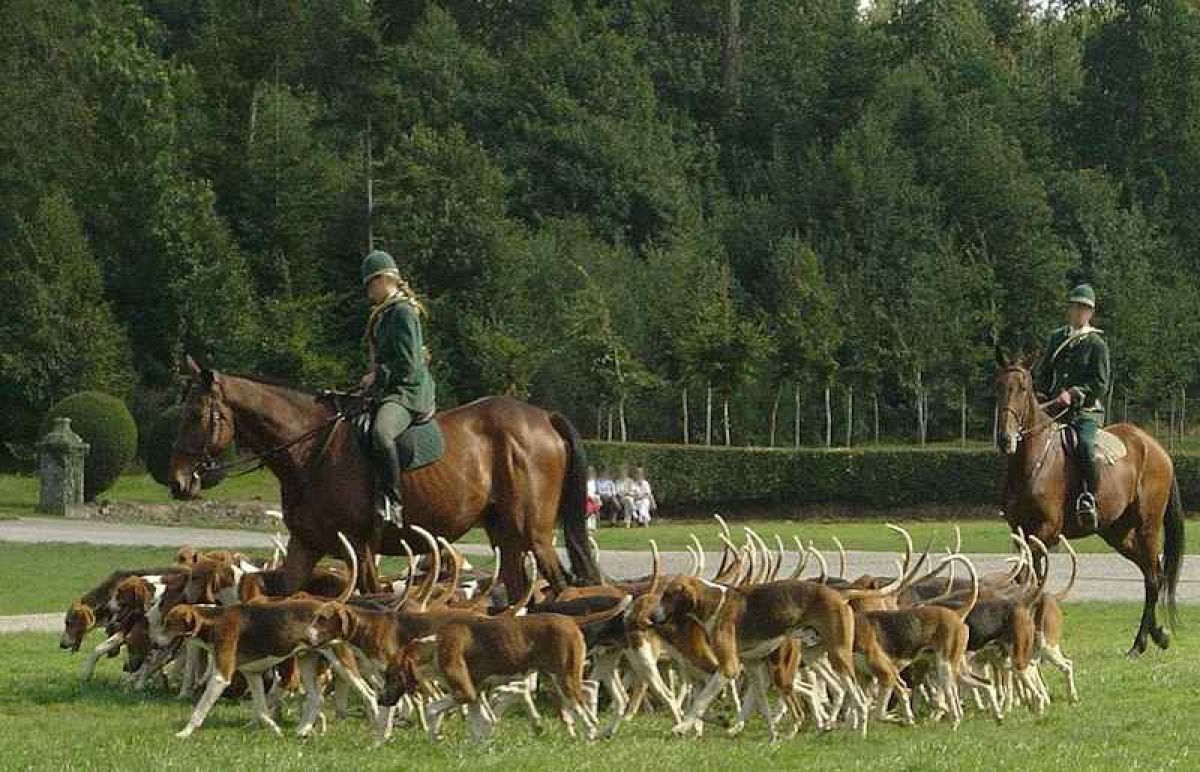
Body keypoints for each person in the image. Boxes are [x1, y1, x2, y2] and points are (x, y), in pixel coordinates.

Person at [359, 249, 436, 526]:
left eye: (369, 284)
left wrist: (376, 376)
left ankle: (394, 501)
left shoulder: (402, 312)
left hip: (408, 391)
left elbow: (409, 364)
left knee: (381, 433)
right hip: (389, 388)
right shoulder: (385, 313)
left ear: (382, 280)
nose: (368, 291)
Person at [1033, 283, 1110, 533]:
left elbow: (1100, 384)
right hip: (1055, 407)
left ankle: (1088, 497)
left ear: (1090, 312)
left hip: (1085, 411)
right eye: (1075, 306)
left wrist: (1075, 394)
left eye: (1083, 308)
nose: (1078, 312)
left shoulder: (1097, 344)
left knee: (1085, 446)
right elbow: (1045, 372)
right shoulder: (1057, 338)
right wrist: (1041, 395)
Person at [585, 466, 602, 531]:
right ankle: (589, 526)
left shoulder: (595, 482)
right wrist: (590, 497)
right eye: (589, 472)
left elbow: (597, 492)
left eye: (591, 472)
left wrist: (597, 498)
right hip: (587, 499)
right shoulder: (585, 482)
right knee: (589, 511)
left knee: (594, 512)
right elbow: (585, 492)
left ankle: (593, 526)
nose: (590, 474)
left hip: (595, 499)